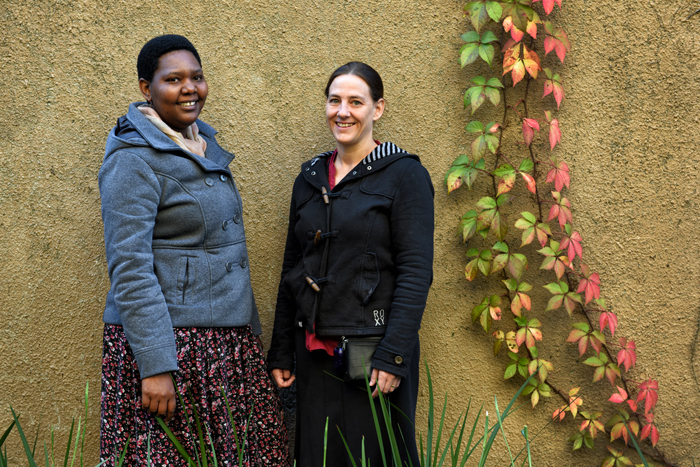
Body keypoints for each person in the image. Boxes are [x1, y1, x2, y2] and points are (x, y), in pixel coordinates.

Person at [98, 34, 290, 466]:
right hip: (173, 347)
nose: (190, 88)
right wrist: (155, 365)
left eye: (197, 77)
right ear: (146, 88)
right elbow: (130, 268)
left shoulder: (201, 144)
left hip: (225, 342)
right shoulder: (133, 158)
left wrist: (250, 335)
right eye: (174, 79)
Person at [267, 62, 434, 466]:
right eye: (334, 100)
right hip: (313, 354)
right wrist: (281, 351)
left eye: (356, 102)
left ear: (377, 109)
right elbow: (294, 266)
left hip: (372, 357)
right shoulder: (308, 179)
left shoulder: (405, 175)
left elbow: (416, 272)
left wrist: (393, 356)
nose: (343, 111)